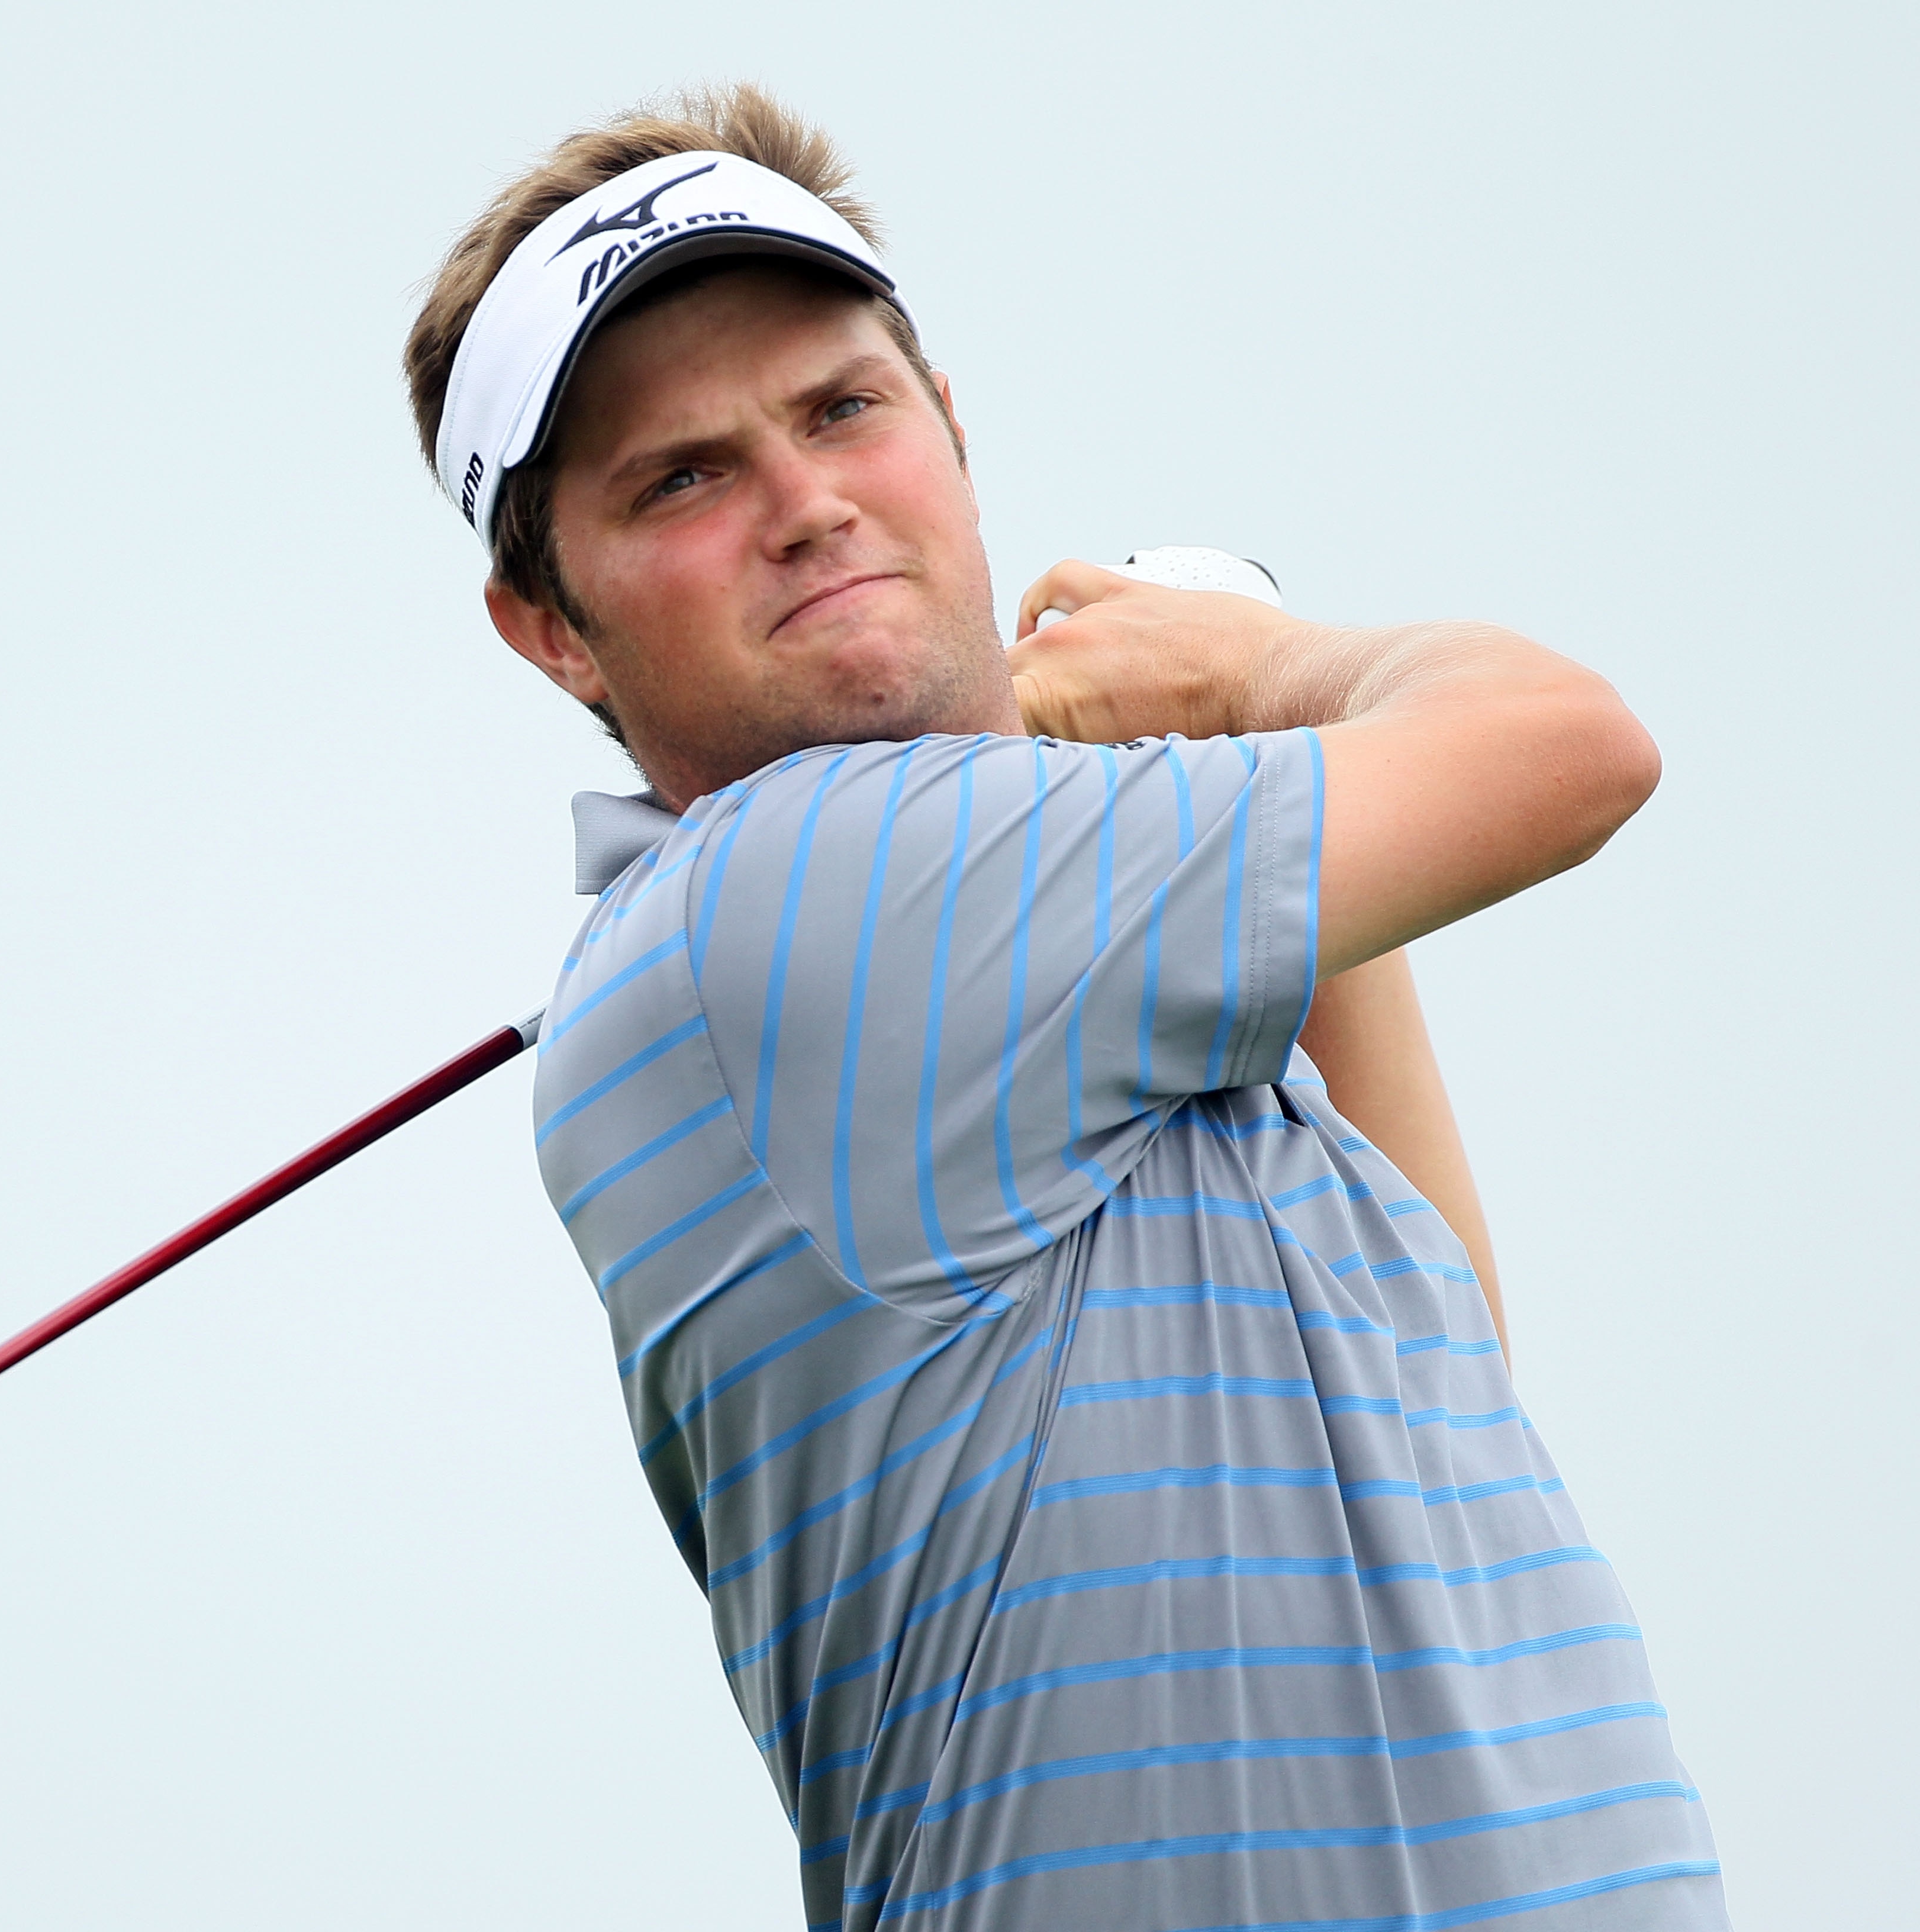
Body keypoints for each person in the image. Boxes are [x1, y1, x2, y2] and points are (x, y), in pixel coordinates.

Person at [404, 86, 1726, 1929]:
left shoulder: (1056, 947)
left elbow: (1441, 1388)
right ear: (548, 626)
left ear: (947, 425)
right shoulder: (793, 894)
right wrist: (1265, 662)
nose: (807, 505)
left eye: (843, 408)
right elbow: (1571, 748)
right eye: (681, 478)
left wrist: (1251, 765)